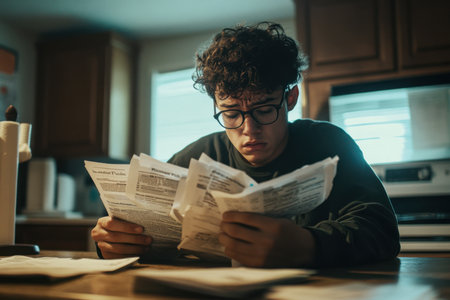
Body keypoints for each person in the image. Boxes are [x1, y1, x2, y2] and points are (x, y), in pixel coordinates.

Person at [91, 22, 400, 267]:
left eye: (264, 109)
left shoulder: (328, 144)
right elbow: (135, 228)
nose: (249, 129)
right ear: (216, 105)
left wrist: (309, 245)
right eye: (231, 113)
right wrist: (111, 242)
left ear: (289, 98)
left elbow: (383, 232)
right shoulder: (197, 156)